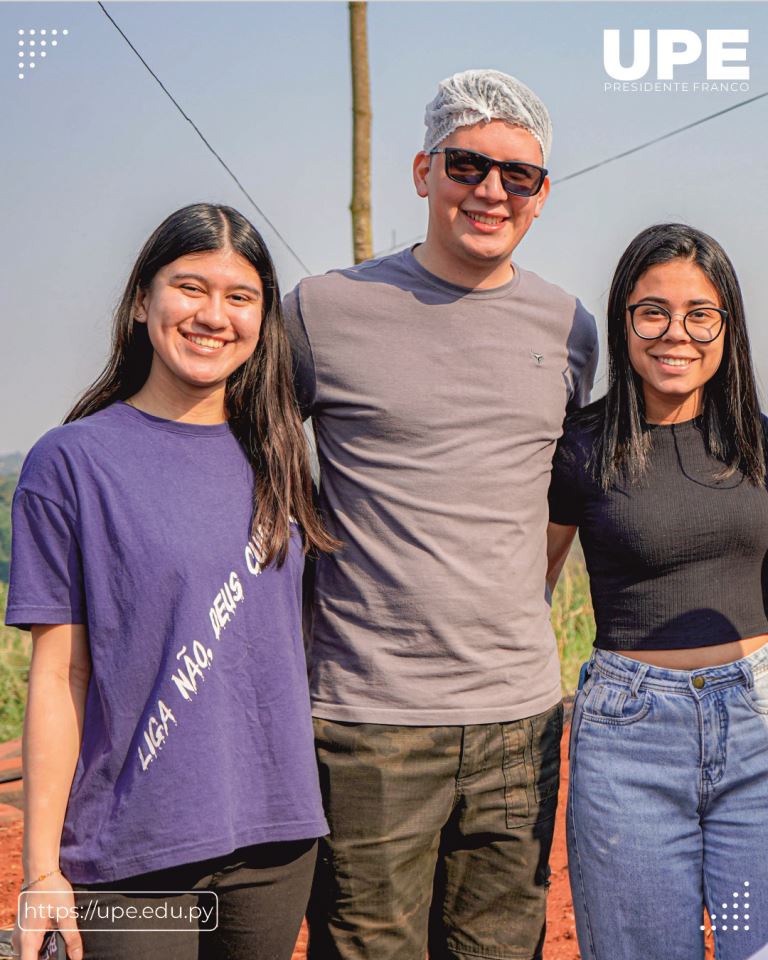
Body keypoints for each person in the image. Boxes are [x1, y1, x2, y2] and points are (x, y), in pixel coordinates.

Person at [284, 69, 598, 960]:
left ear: (540, 197)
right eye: (468, 165)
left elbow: (560, 491)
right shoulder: (322, 311)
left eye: (518, 176)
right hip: (366, 724)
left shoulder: (570, 327)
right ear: (424, 172)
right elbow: (247, 454)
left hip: (520, 721)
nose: (490, 190)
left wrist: (514, 595)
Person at [6, 203, 337, 960]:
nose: (212, 315)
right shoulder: (72, 462)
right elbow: (59, 674)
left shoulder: (281, 456)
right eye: (191, 287)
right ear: (143, 300)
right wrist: (43, 872)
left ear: (263, 318)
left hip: (275, 840)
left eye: (239, 296)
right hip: (129, 853)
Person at [547, 223, 768, 960]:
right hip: (630, 749)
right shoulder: (580, 449)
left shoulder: (762, 444)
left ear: (727, 326)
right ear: (624, 319)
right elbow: (531, 589)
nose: (677, 333)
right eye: (654, 312)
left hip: (760, 739)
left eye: (700, 314)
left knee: (754, 948)